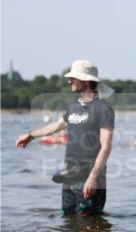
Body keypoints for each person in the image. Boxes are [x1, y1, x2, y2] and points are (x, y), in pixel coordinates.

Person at [15, 60, 115, 216]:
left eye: (73, 78)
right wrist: (30, 135)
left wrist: (93, 177)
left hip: (89, 174)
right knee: (68, 218)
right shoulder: (73, 107)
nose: (69, 81)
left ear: (86, 81)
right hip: (70, 173)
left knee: (89, 223)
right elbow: (56, 125)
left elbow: (106, 147)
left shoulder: (103, 109)